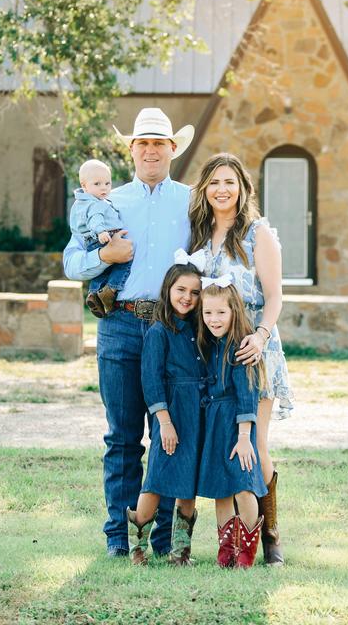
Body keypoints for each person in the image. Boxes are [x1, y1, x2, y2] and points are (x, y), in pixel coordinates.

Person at [62, 107, 195, 559]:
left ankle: (159, 539)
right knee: (122, 436)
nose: (151, 150)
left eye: (160, 143)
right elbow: (71, 262)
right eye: (143, 143)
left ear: (173, 149)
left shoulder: (191, 201)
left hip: (173, 329)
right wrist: (109, 257)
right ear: (131, 150)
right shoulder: (106, 201)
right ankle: (119, 537)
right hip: (120, 324)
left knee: (167, 436)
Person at [188, 152, 292, 565]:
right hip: (210, 357)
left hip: (252, 350)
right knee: (222, 444)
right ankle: (230, 539)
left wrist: (261, 336)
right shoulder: (198, 234)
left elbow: (275, 296)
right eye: (214, 182)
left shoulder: (257, 234)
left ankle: (270, 535)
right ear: (205, 189)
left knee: (257, 446)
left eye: (230, 181)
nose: (222, 189)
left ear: (243, 188)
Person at [127, 258, 205, 566]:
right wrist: (164, 422)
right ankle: (138, 549)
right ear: (168, 290)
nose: (187, 297)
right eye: (181, 289)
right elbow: (151, 379)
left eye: (195, 292)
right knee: (157, 479)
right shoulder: (159, 332)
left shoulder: (200, 331)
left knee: (189, 482)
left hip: (196, 414)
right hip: (169, 415)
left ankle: (180, 552)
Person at [195, 277, 268, 569]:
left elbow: (247, 395)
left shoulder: (240, 347)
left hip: (238, 427)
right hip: (214, 424)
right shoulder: (208, 343)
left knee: (242, 485)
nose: (214, 319)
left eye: (220, 313)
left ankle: (247, 551)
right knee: (221, 489)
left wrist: (243, 436)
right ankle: (226, 551)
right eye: (208, 313)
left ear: (234, 312)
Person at [68, 159, 128, 318]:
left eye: (107, 183)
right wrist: (101, 232)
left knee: (102, 271)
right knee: (124, 262)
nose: (104, 188)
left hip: (94, 239)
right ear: (84, 186)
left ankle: (94, 293)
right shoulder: (95, 204)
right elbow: (95, 219)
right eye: (97, 184)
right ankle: (112, 289)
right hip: (103, 237)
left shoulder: (82, 202)